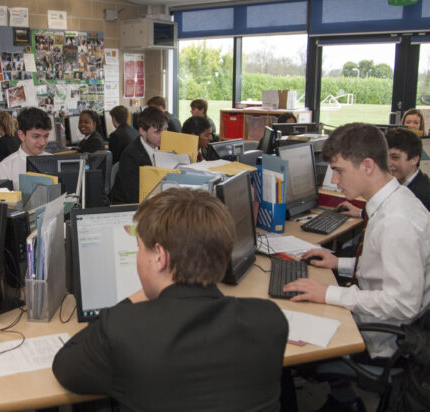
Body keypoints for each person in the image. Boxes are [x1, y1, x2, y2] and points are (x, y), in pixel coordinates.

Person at [53, 188, 288, 411]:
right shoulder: (269, 320)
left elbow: (65, 365)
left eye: (140, 249)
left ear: (160, 258)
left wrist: (139, 295)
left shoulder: (122, 329)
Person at [284, 123, 430, 408]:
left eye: (338, 170)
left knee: (284, 337)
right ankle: (342, 398)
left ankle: (344, 400)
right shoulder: (393, 201)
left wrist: (329, 294)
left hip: (384, 337)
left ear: (366, 165)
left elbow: (403, 303)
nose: (335, 181)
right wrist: (340, 262)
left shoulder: (396, 222)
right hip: (383, 320)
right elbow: (384, 267)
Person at [112, 107, 167, 204]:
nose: (163, 135)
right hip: (131, 209)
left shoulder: (163, 148)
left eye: (165, 130)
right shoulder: (130, 156)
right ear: (142, 131)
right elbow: (135, 196)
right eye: (157, 132)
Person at [0, 107, 52, 191]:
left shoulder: (53, 162)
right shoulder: (4, 169)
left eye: (46, 136)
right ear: (21, 135)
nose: (42, 142)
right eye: (36, 136)